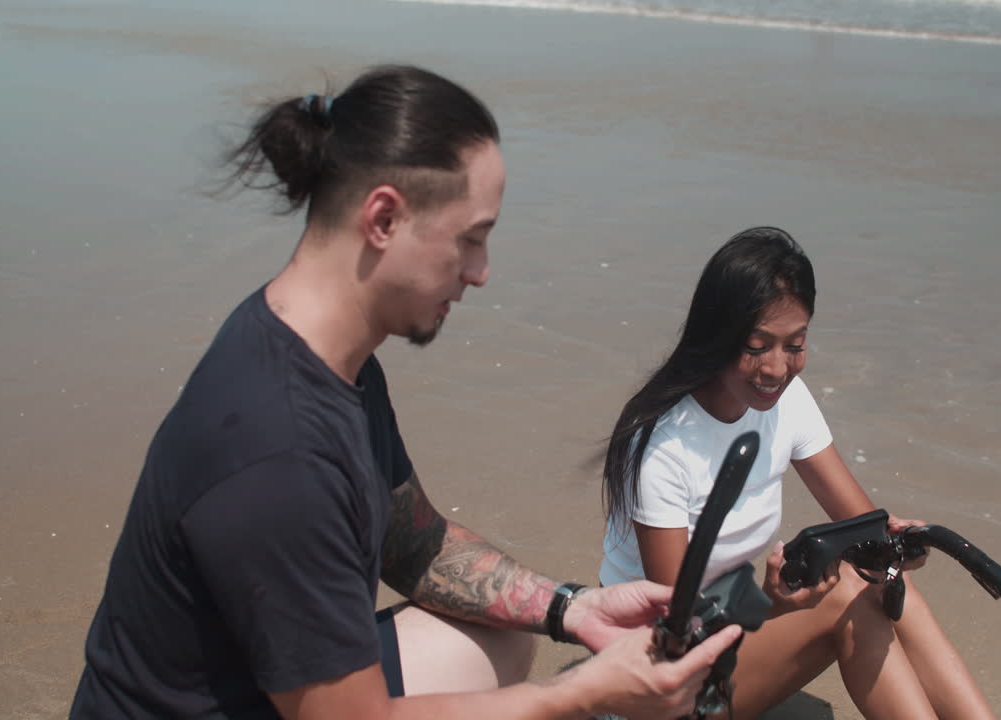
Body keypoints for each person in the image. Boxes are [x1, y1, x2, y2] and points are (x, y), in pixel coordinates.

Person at [69, 64, 741, 720]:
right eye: (470, 240)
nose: (480, 272)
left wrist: (573, 608)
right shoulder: (280, 451)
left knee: (505, 636)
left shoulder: (327, 354)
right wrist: (584, 693)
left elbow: (413, 542)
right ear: (384, 218)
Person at [599, 226, 999, 720]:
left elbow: (860, 521)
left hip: (722, 638)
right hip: (654, 680)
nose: (776, 369)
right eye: (756, 346)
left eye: (794, 345)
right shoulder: (663, 446)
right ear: (716, 336)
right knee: (848, 594)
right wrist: (770, 605)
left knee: (880, 577)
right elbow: (677, 632)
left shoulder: (785, 401)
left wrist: (893, 542)